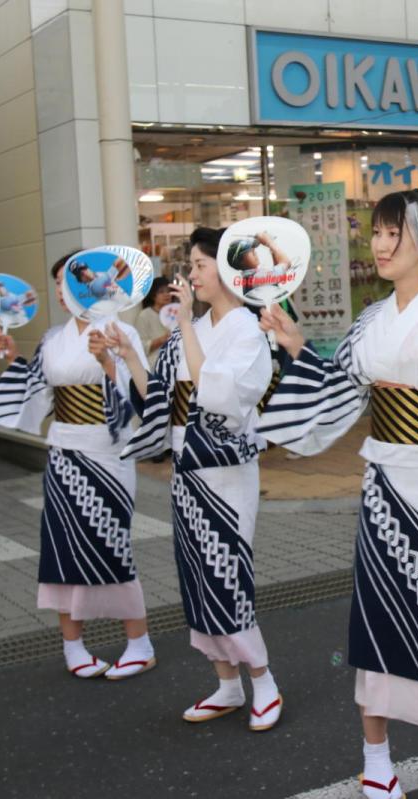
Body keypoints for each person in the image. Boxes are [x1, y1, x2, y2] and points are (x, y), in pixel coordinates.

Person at [258, 189, 418, 799]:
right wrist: (297, 347)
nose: (378, 246)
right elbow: (342, 391)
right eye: (374, 233)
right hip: (385, 481)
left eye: (392, 234)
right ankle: (376, 761)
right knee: (375, 620)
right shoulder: (372, 319)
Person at [112, 226, 284, 732]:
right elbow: (161, 399)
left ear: (229, 270)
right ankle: (227, 682)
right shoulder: (198, 326)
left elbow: (222, 397)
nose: (191, 275)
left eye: (201, 265)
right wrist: (125, 358)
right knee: (195, 575)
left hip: (226, 472)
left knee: (227, 574)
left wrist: (185, 327)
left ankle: (264, 679)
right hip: (187, 469)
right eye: (189, 265)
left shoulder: (248, 332)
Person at [0, 254, 155, 681]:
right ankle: (73, 645)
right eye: (57, 283)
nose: (61, 290)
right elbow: (39, 394)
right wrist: (14, 357)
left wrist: (110, 362)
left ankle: (139, 642)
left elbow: (143, 396)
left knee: (112, 543)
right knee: (60, 547)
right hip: (63, 454)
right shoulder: (54, 338)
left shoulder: (120, 329)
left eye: (66, 282)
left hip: (107, 454)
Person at [133, 276, 172, 369]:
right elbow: (139, 346)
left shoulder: (177, 312)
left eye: (169, 291)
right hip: (153, 365)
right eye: (161, 292)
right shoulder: (144, 315)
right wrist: (161, 340)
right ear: (153, 295)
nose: (166, 294)